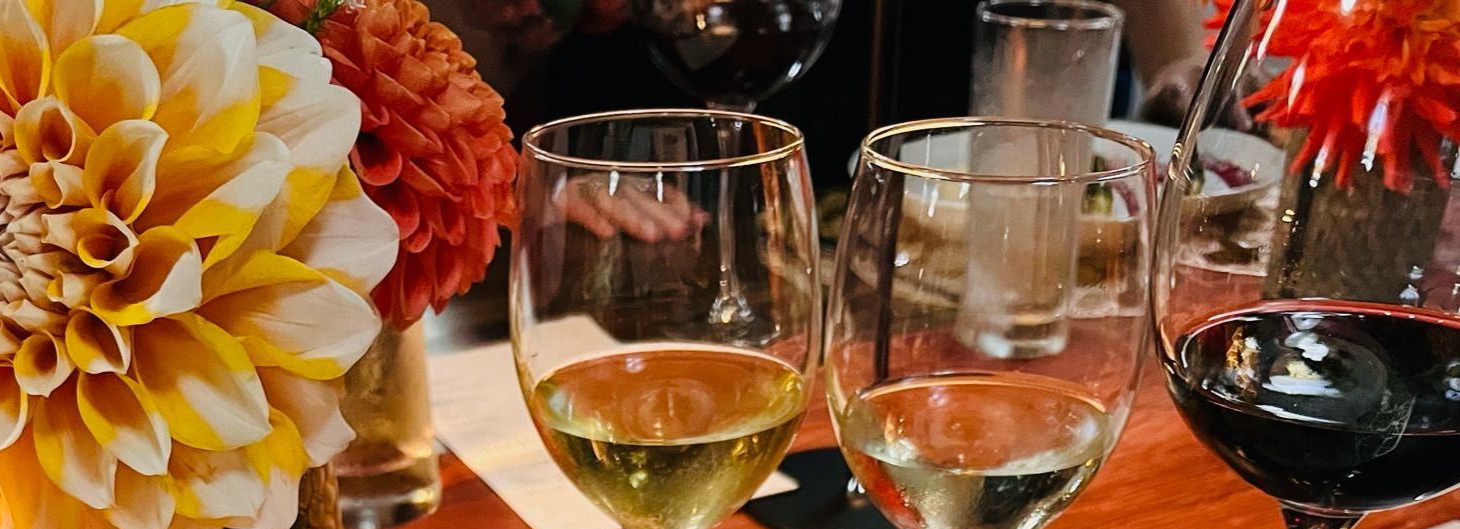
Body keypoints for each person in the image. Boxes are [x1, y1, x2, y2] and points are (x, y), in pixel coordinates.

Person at [436, 0, 1211, 193]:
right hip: (630, 183)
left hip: (941, 212)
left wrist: (1179, 60)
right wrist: (519, 189)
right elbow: (428, 55)